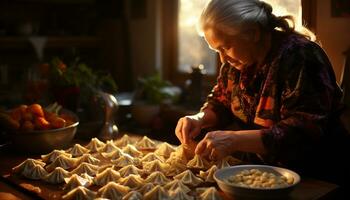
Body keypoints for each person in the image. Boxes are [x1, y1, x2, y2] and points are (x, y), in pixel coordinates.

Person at [175, 0, 350, 192]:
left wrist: (234, 140)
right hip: (264, 176)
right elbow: (221, 101)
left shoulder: (301, 56)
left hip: (316, 177)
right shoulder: (236, 63)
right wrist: (199, 118)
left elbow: (302, 132)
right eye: (217, 50)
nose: (222, 59)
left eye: (225, 47)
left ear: (253, 33)